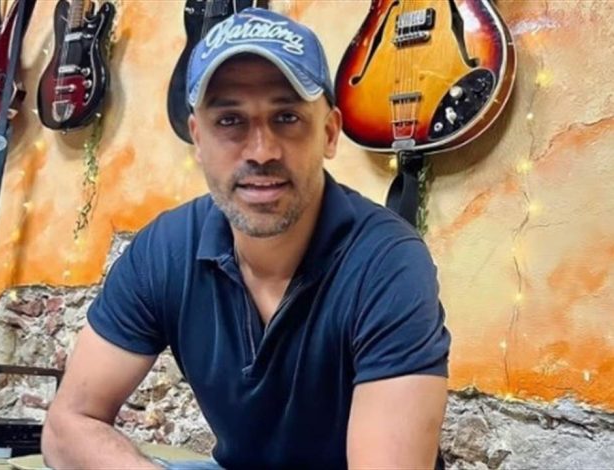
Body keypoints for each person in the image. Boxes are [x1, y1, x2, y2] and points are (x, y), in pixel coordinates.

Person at [42, 7, 451, 469]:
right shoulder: (166, 250)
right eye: (230, 121)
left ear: (330, 133)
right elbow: (66, 427)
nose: (261, 152)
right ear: (197, 138)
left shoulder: (387, 263)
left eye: (287, 117)